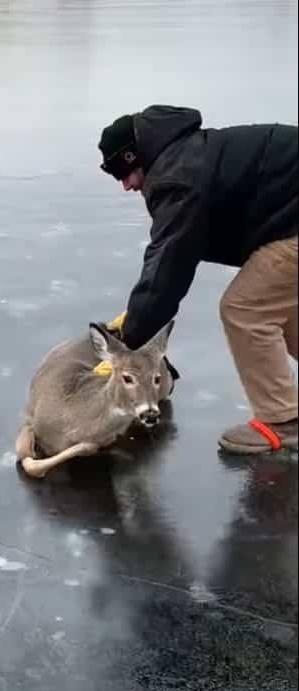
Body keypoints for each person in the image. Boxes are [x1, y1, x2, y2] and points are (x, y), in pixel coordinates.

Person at [97, 105, 297, 454]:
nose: (126, 185)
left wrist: (131, 338)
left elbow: (168, 265)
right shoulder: (185, 155)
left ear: (135, 155)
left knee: (246, 311)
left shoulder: (176, 176)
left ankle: (283, 421)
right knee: (280, 303)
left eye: (123, 172)